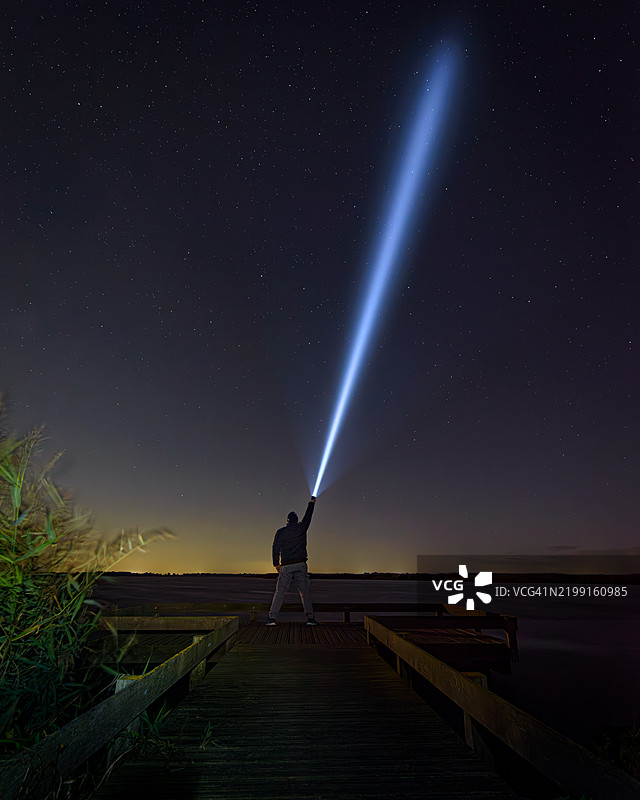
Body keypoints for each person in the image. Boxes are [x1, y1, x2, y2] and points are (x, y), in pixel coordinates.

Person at [266, 495, 319, 626]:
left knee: (280, 592)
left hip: (286, 565)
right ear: (296, 520)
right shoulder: (302, 528)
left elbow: (275, 548)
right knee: (305, 592)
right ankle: (310, 618)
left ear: (287, 521)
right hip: (300, 564)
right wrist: (311, 503)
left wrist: (276, 564)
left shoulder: (280, 532)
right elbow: (308, 516)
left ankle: (272, 618)